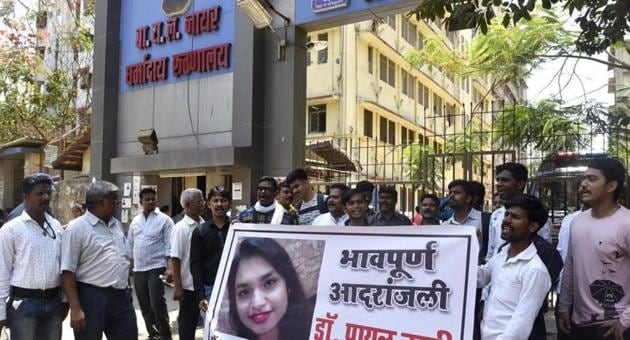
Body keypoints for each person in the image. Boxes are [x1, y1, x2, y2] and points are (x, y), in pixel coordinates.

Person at [558, 158, 630, 340]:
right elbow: (570, 266)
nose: (583, 184)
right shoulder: (577, 221)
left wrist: (625, 320)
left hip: (614, 323)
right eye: (583, 179)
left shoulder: (626, 223)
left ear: (611, 186)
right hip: (580, 322)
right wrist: (564, 306)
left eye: (591, 179)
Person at [61, 181, 137, 340]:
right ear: (100, 202)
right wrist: (75, 307)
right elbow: (67, 271)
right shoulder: (77, 228)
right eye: (114, 199)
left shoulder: (116, 225)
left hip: (121, 297)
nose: (117, 202)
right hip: (92, 298)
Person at [477, 195, 552, 340]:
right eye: (506, 214)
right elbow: (480, 278)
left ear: (532, 226)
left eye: (515, 217)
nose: (506, 220)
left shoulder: (534, 270)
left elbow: (521, 325)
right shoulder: (502, 254)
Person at [0, 174, 65, 340]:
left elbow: (63, 266)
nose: (45, 197)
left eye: (48, 193)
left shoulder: (56, 227)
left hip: (53, 303)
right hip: (24, 305)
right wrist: (1, 313)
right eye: (40, 193)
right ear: (26, 197)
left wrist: (65, 300)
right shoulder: (11, 230)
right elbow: (2, 272)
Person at [227, 238, 314, 340]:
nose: (257, 303)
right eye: (244, 292)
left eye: (269, 283)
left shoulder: (315, 331)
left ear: (288, 285)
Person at [128, 187, 174, 340]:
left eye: (153, 198)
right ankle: (153, 334)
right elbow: (129, 244)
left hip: (157, 266)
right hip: (139, 268)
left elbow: (170, 245)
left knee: (157, 302)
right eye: (147, 199)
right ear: (141, 202)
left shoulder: (165, 220)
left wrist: (170, 267)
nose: (150, 201)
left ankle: (165, 335)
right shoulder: (135, 221)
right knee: (145, 305)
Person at [486, 163, 552, 263]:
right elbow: (491, 251)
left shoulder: (535, 213)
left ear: (520, 184)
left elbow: (545, 251)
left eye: (505, 180)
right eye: (498, 180)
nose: (499, 184)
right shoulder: (496, 215)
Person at [170, 188, 205, 340]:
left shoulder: (204, 224)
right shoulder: (180, 229)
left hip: (204, 283)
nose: (203, 203)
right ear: (189, 205)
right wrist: (178, 287)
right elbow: (175, 259)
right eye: (200, 201)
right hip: (188, 286)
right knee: (187, 324)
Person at [191, 187, 231, 316]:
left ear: (229, 204)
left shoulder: (236, 229)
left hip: (233, 287)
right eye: (215, 200)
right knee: (212, 331)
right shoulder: (200, 231)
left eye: (223, 200)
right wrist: (200, 295)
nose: (219, 204)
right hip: (210, 288)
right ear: (209, 204)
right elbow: (195, 264)